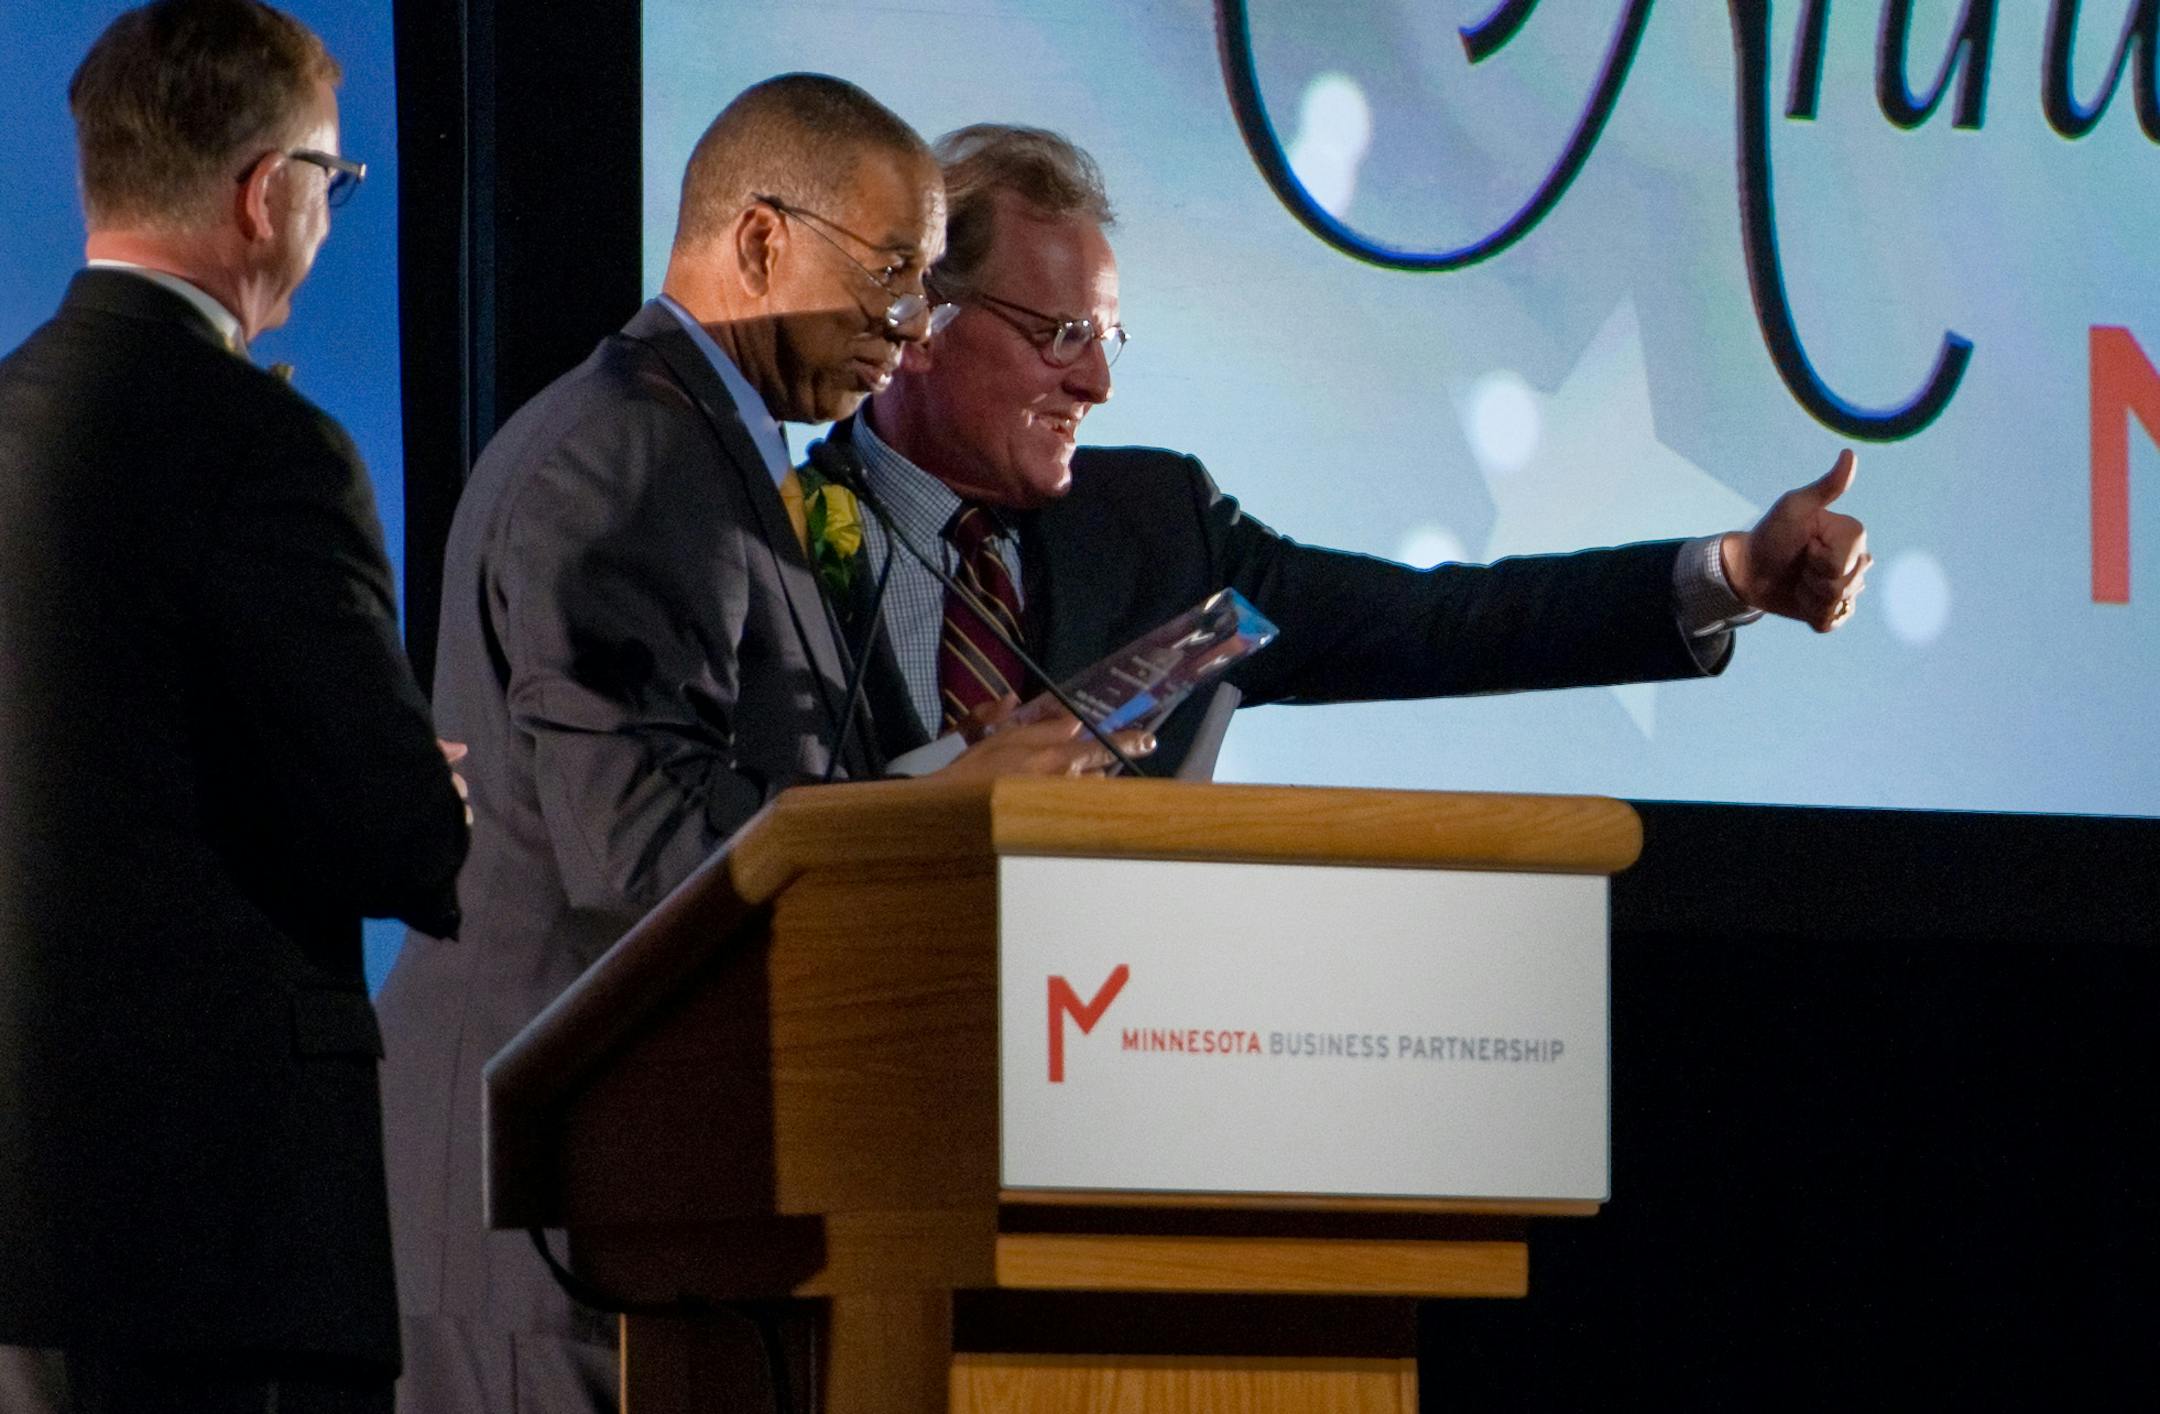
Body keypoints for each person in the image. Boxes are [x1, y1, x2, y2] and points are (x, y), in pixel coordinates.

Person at [374, 75, 1133, 1414]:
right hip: (549, 1198)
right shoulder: (630, 456)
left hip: (624, 1181)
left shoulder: (695, 439)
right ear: (764, 239)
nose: (910, 328)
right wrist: (948, 809)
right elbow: (638, 845)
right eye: (893, 276)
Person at [814, 123, 1871, 772]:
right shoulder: (758, 535)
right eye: (1059, 338)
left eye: (1104, 340)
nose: (1094, 383)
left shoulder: (1162, 532)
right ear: (922, 327)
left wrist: (1729, 573)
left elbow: (1445, 626)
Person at [0, 3, 471, 1411]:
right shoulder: (265, 450)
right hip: (224, 1225)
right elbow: (395, 838)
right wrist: (422, 790)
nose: (332, 215)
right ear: (264, 193)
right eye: (334, 180)